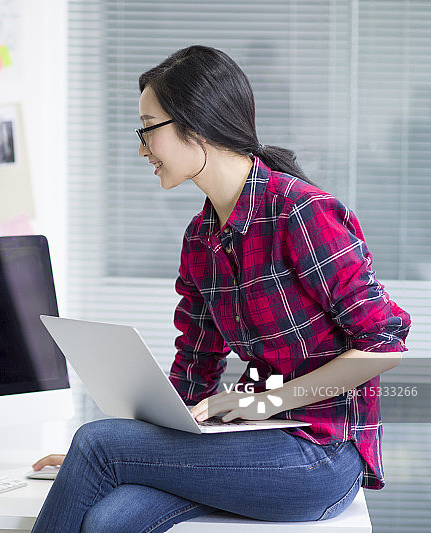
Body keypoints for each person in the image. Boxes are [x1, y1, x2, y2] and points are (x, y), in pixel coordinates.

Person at [29, 45, 411, 532]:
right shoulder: (200, 239)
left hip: (322, 456)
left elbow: (385, 347)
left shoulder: (301, 212)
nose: (142, 148)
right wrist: (114, 454)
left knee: (97, 444)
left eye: (149, 128)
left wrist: (268, 402)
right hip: (255, 442)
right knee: (109, 517)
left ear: (197, 124)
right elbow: (195, 369)